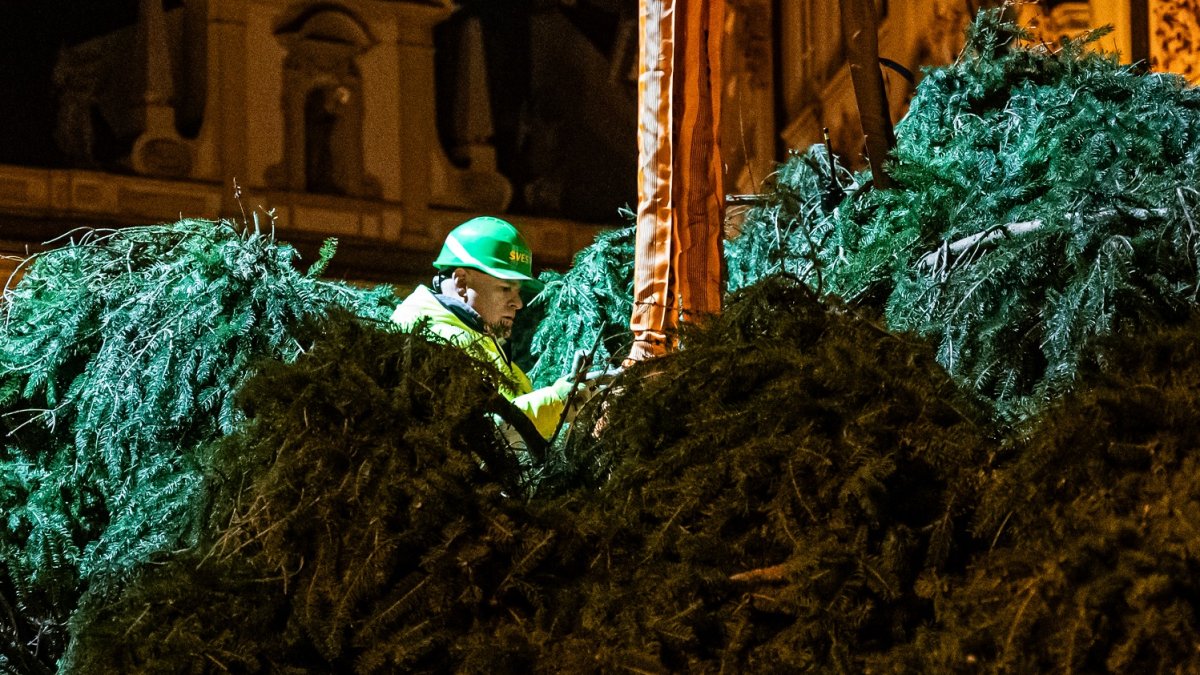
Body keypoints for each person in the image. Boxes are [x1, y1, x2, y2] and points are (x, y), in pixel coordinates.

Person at [391, 216, 580, 441]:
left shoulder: (483, 345)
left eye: (518, 291)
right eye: (505, 288)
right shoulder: (432, 344)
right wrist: (557, 404)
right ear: (461, 283)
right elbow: (479, 439)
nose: (518, 303)